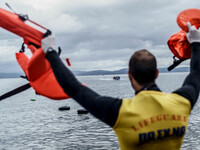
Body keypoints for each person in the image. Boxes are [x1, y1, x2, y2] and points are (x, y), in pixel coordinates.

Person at [41, 22, 200, 150]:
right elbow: (196, 74)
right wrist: (196, 44)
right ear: (157, 73)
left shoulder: (121, 112)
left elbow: (74, 88)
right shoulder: (181, 103)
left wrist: (50, 52)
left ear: (130, 75)